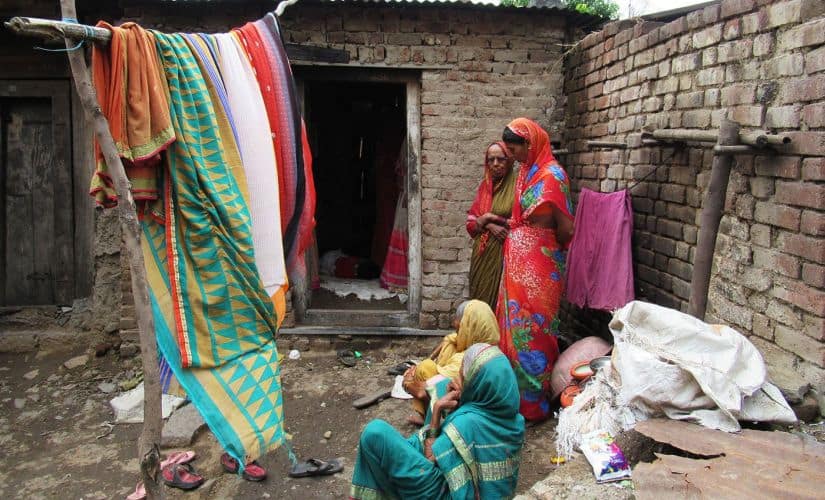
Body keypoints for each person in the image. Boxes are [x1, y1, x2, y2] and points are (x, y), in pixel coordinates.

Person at [351, 344, 525, 499]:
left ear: (477, 384)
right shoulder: (514, 419)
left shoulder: (467, 423)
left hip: (452, 493)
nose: (457, 379)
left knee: (374, 434)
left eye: (463, 377)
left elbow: (430, 459)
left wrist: (436, 413)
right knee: (442, 387)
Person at [496, 117, 574, 422]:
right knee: (514, 333)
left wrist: (544, 248)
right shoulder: (525, 173)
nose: (514, 157)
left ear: (532, 143)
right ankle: (514, 401)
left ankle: (535, 405)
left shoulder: (553, 176)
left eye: (516, 150)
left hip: (541, 267)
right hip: (516, 266)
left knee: (537, 332)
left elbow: (567, 227)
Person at [402, 300, 499, 423]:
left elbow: (422, 391)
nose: (454, 323)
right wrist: (430, 357)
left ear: (470, 326)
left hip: (470, 415)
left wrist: (408, 382)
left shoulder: (467, 359)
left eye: (460, 321)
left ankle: (433, 420)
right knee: (433, 359)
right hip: (484, 412)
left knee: (425, 368)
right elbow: (449, 339)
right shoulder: (492, 349)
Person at [466, 142, 517, 309]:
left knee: (500, 302)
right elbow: (472, 223)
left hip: (506, 253)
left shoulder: (518, 186)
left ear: (509, 160)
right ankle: (480, 333)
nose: (495, 164)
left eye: (500, 159)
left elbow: (522, 221)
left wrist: (487, 219)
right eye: (491, 160)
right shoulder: (485, 187)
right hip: (482, 253)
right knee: (479, 297)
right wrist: (489, 222)